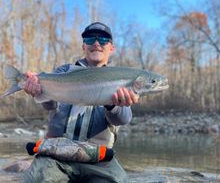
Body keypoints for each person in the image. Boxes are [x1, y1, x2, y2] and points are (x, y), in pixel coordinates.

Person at [22, 21, 139, 183]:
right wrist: (38, 89)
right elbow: (50, 105)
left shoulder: (120, 77)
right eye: (90, 39)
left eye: (103, 40)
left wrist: (114, 105)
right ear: (83, 46)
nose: (96, 43)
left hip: (98, 159)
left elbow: (122, 119)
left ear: (111, 48)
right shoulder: (64, 72)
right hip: (57, 156)